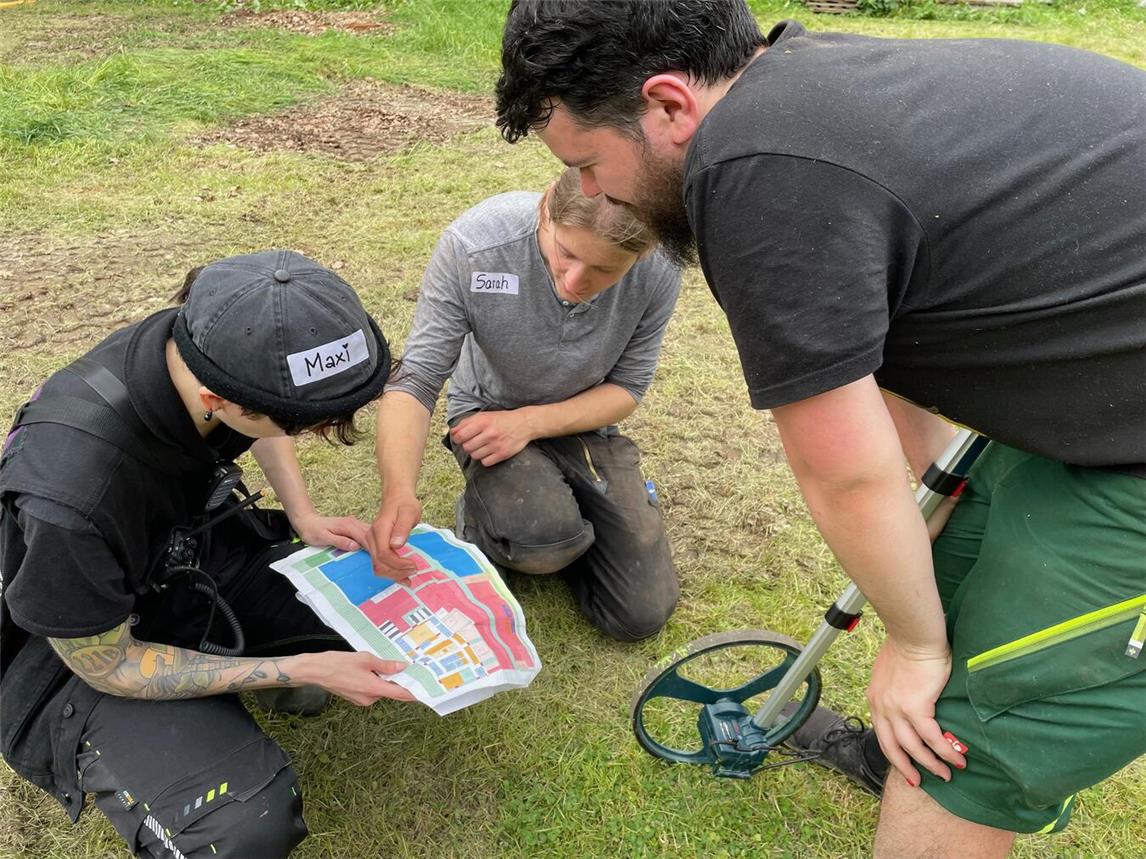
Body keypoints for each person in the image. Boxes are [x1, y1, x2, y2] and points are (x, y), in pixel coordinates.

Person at [494, 2, 1146, 856]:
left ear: (668, 105)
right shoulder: (802, 86)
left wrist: (915, 648)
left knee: (966, 753)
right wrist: (943, 486)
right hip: (1101, 387)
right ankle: (904, 741)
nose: (587, 191)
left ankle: (953, 758)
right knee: (950, 555)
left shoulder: (757, 172)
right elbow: (882, 328)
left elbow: (846, 474)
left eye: (586, 162)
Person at [0, 250, 413, 859]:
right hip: (78, 653)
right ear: (216, 398)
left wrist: (302, 515)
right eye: (300, 424)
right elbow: (109, 665)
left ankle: (238, 664)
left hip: (189, 557)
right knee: (244, 829)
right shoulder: (71, 497)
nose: (312, 434)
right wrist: (298, 668)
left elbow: (259, 417)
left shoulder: (204, 340)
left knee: (388, 613)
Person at [370, 168, 682, 642]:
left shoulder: (661, 269)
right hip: (487, 415)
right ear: (546, 210)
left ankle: (570, 520)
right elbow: (417, 378)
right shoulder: (475, 246)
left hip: (580, 422)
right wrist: (398, 491)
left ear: (644, 252)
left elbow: (628, 387)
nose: (574, 281)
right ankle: (488, 517)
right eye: (567, 253)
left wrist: (532, 423)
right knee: (542, 542)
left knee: (640, 614)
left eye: (604, 270)